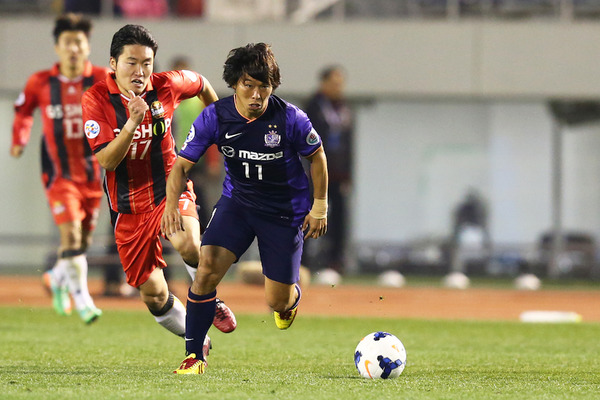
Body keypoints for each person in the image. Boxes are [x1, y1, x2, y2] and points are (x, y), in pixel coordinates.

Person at [162, 42, 329, 374]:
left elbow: (317, 157)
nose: (256, 94)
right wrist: (170, 207)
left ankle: (290, 301)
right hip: (238, 204)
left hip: (283, 213)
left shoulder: (290, 118)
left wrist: (319, 206)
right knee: (206, 268)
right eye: (248, 85)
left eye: (263, 86)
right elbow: (180, 166)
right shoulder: (215, 116)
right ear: (235, 84)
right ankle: (195, 355)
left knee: (276, 301)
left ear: (272, 86)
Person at [81, 24, 236, 339]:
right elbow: (107, 161)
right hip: (127, 205)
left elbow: (202, 83)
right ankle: (198, 339)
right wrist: (132, 123)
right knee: (153, 294)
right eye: (131, 62)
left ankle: (209, 300)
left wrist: (221, 125)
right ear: (113, 64)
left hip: (168, 187)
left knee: (189, 242)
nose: (140, 71)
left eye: (147, 63)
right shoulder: (95, 99)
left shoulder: (168, 85)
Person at [10, 13, 108, 324]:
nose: (74, 49)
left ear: (88, 46)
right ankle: (83, 301)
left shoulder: (103, 79)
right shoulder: (40, 82)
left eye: (79, 42)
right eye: (68, 43)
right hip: (59, 175)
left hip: (94, 175)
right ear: (57, 48)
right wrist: (20, 138)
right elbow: (24, 112)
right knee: (70, 236)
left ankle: (55, 277)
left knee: (82, 243)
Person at [303, 65, 353, 273]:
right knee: (307, 215)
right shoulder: (313, 107)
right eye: (334, 83)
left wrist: (348, 173)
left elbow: (348, 144)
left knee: (338, 218)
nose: (338, 88)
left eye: (340, 84)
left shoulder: (344, 108)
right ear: (323, 84)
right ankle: (301, 262)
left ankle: (334, 261)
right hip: (314, 173)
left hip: (338, 174)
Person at [170, 56, 223, 230]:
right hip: (170, 161)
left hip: (194, 162)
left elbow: (213, 129)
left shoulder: (199, 102)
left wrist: (213, 161)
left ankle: (204, 239)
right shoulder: (167, 102)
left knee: (198, 202)